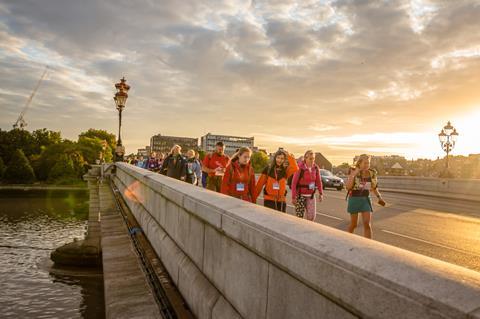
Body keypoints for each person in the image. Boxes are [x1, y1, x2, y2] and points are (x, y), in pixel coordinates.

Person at [345, 154, 385, 239]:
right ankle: (346, 240)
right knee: (354, 224)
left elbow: (374, 187)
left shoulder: (372, 173)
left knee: (367, 224)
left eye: (368, 163)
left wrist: (379, 197)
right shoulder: (353, 170)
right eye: (365, 163)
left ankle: (369, 245)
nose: (367, 165)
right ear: (359, 163)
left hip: (365, 199)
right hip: (354, 199)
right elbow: (348, 187)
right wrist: (353, 175)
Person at [291, 150, 323, 221]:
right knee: (299, 218)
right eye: (310, 158)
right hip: (300, 195)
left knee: (311, 217)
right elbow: (294, 183)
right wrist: (293, 197)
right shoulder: (299, 167)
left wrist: (321, 193)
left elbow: (318, 181)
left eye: (313, 158)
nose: (312, 160)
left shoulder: (315, 168)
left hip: (311, 195)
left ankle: (307, 230)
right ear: (305, 158)